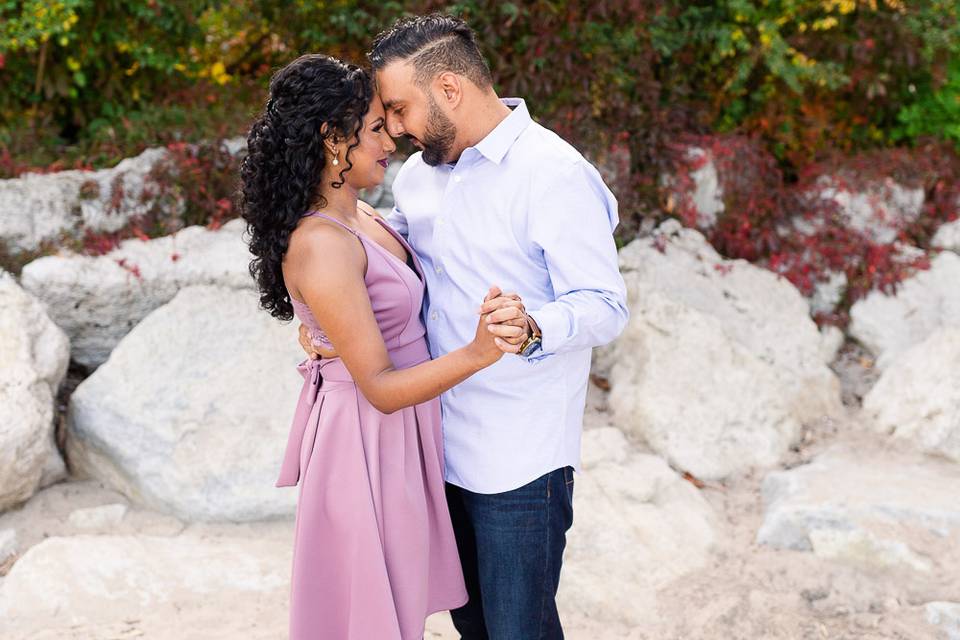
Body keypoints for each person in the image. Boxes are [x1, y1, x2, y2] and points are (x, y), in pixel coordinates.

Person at [299, 14, 629, 640]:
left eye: (399, 109)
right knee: (471, 627)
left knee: (518, 632)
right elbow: (399, 250)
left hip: (519, 458)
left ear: (448, 89)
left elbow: (606, 304)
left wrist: (532, 326)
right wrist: (324, 308)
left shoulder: (553, 172)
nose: (393, 129)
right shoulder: (422, 175)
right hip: (433, 447)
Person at [239, 53, 524, 640]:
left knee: (396, 609)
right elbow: (380, 387)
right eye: (374, 127)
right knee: (369, 619)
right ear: (332, 139)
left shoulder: (363, 213)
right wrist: (478, 351)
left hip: (399, 438)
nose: (391, 136)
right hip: (363, 441)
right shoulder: (321, 241)